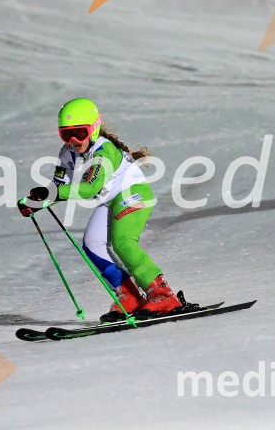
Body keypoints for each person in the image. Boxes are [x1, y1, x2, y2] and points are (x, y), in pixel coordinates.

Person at [18, 98, 182, 322]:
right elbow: (59, 187)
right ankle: (130, 296)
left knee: (122, 242)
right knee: (92, 244)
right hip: (111, 199)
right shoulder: (67, 153)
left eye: (79, 133)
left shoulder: (104, 150)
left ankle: (163, 295)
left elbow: (90, 188)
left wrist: (51, 195)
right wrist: (36, 201)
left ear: (94, 129)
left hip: (133, 192)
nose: (74, 141)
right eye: (66, 135)